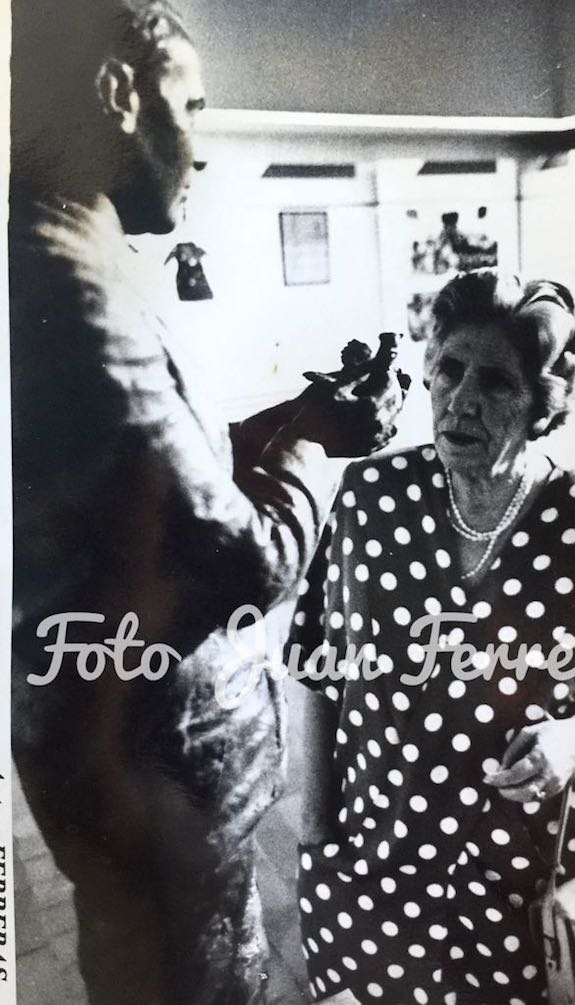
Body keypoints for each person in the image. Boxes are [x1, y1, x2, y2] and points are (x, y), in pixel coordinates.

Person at [9, 2, 404, 1003]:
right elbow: (238, 563)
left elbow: (142, 483)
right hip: (156, 786)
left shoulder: (62, 257)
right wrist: (320, 443)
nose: (203, 144)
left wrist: (293, 418)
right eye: (191, 107)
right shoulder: (70, 284)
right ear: (118, 93)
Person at [288, 268, 575, 1005]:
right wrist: (316, 833)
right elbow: (315, 667)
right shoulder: (370, 500)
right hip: (375, 871)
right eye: (450, 368)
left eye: (499, 382)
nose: (463, 398)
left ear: (543, 405)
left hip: (537, 893)